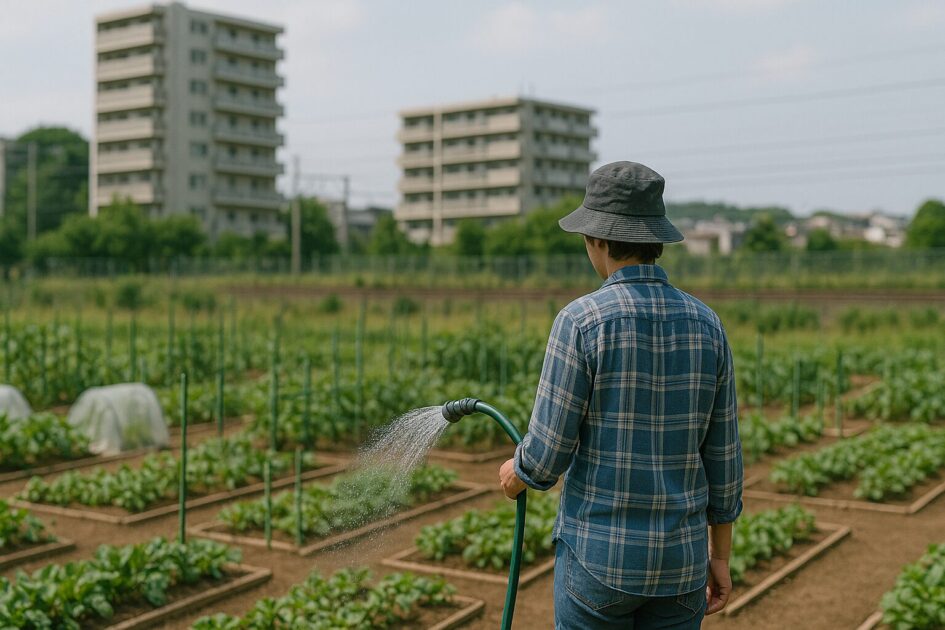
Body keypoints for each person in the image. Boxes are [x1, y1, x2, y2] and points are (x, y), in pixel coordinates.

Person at [498, 161, 743, 629]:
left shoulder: (580, 321)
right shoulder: (708, 326)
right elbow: (724, 461)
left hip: (598, 564)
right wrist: (721, 558)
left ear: (598, 240)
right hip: (681, 567)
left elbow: (547, 456)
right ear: (655, 240)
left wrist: (517, 472)